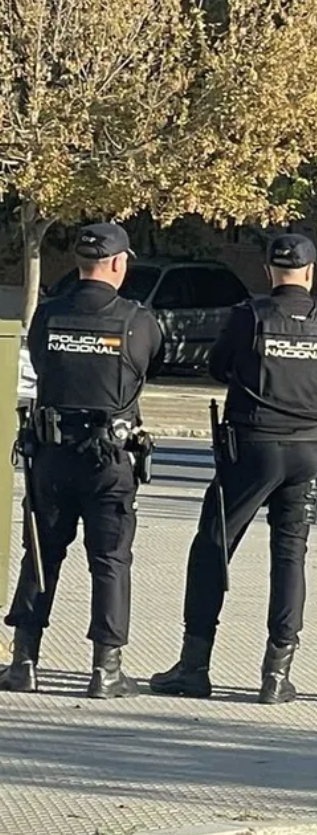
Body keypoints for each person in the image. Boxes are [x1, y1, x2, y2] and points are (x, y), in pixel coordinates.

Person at [149, 234, 317, 705]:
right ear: (311, 272)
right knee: (290, 557)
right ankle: (277, 674)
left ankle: (194, 665)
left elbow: (218, 366)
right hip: (307, 451)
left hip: (252, 447)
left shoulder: (249, 316)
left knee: (213, 545)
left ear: (269, 271)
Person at [0, 222, 161, 698]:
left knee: (41, 554)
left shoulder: (48, 315)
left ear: (79, 262)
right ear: (118, 263)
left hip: (52, 454)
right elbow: (149, 364)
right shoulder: (138, 320)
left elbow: (43, 365)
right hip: (110, 459)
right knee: (110, 560)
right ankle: (105, 670)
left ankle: (24, 662)